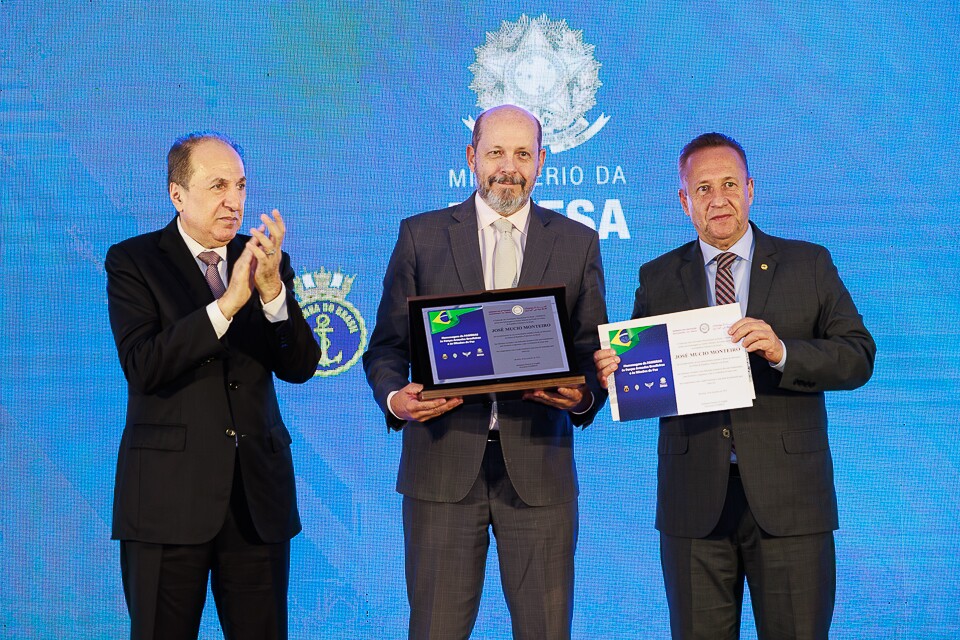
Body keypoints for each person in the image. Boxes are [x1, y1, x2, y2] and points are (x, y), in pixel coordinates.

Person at [595, 133, 876, 640]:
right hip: (693, 504)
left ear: (750, 189)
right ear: (684, 201)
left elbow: (858, 356)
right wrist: (616, 370)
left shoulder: (808, 264)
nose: (717, 199)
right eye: (702, 189)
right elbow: (643, 377)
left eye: (729, 184)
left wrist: (783, 351)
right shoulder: (657, 277)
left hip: (792, 502)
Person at [363, 105, 608, 640]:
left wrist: (583, 397)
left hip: (539, 470)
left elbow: (593, 352)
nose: (508, 166)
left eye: (523, 153)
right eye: (496, 151)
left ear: (542, 162)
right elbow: (385, 348)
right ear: (472, 157)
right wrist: (395, 400)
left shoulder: (576, 242)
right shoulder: (420, 236)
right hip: (442, 467)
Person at [106, 132, 321, 640]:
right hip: (166, 504)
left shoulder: (263, 258)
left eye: (241, 186)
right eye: (218, 185)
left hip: (256, 503)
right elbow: (144, 365)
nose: (235, 200)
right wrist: (226, 306)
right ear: (177, 195)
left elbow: (300, 366)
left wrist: (271, 294)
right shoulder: (134, 262)